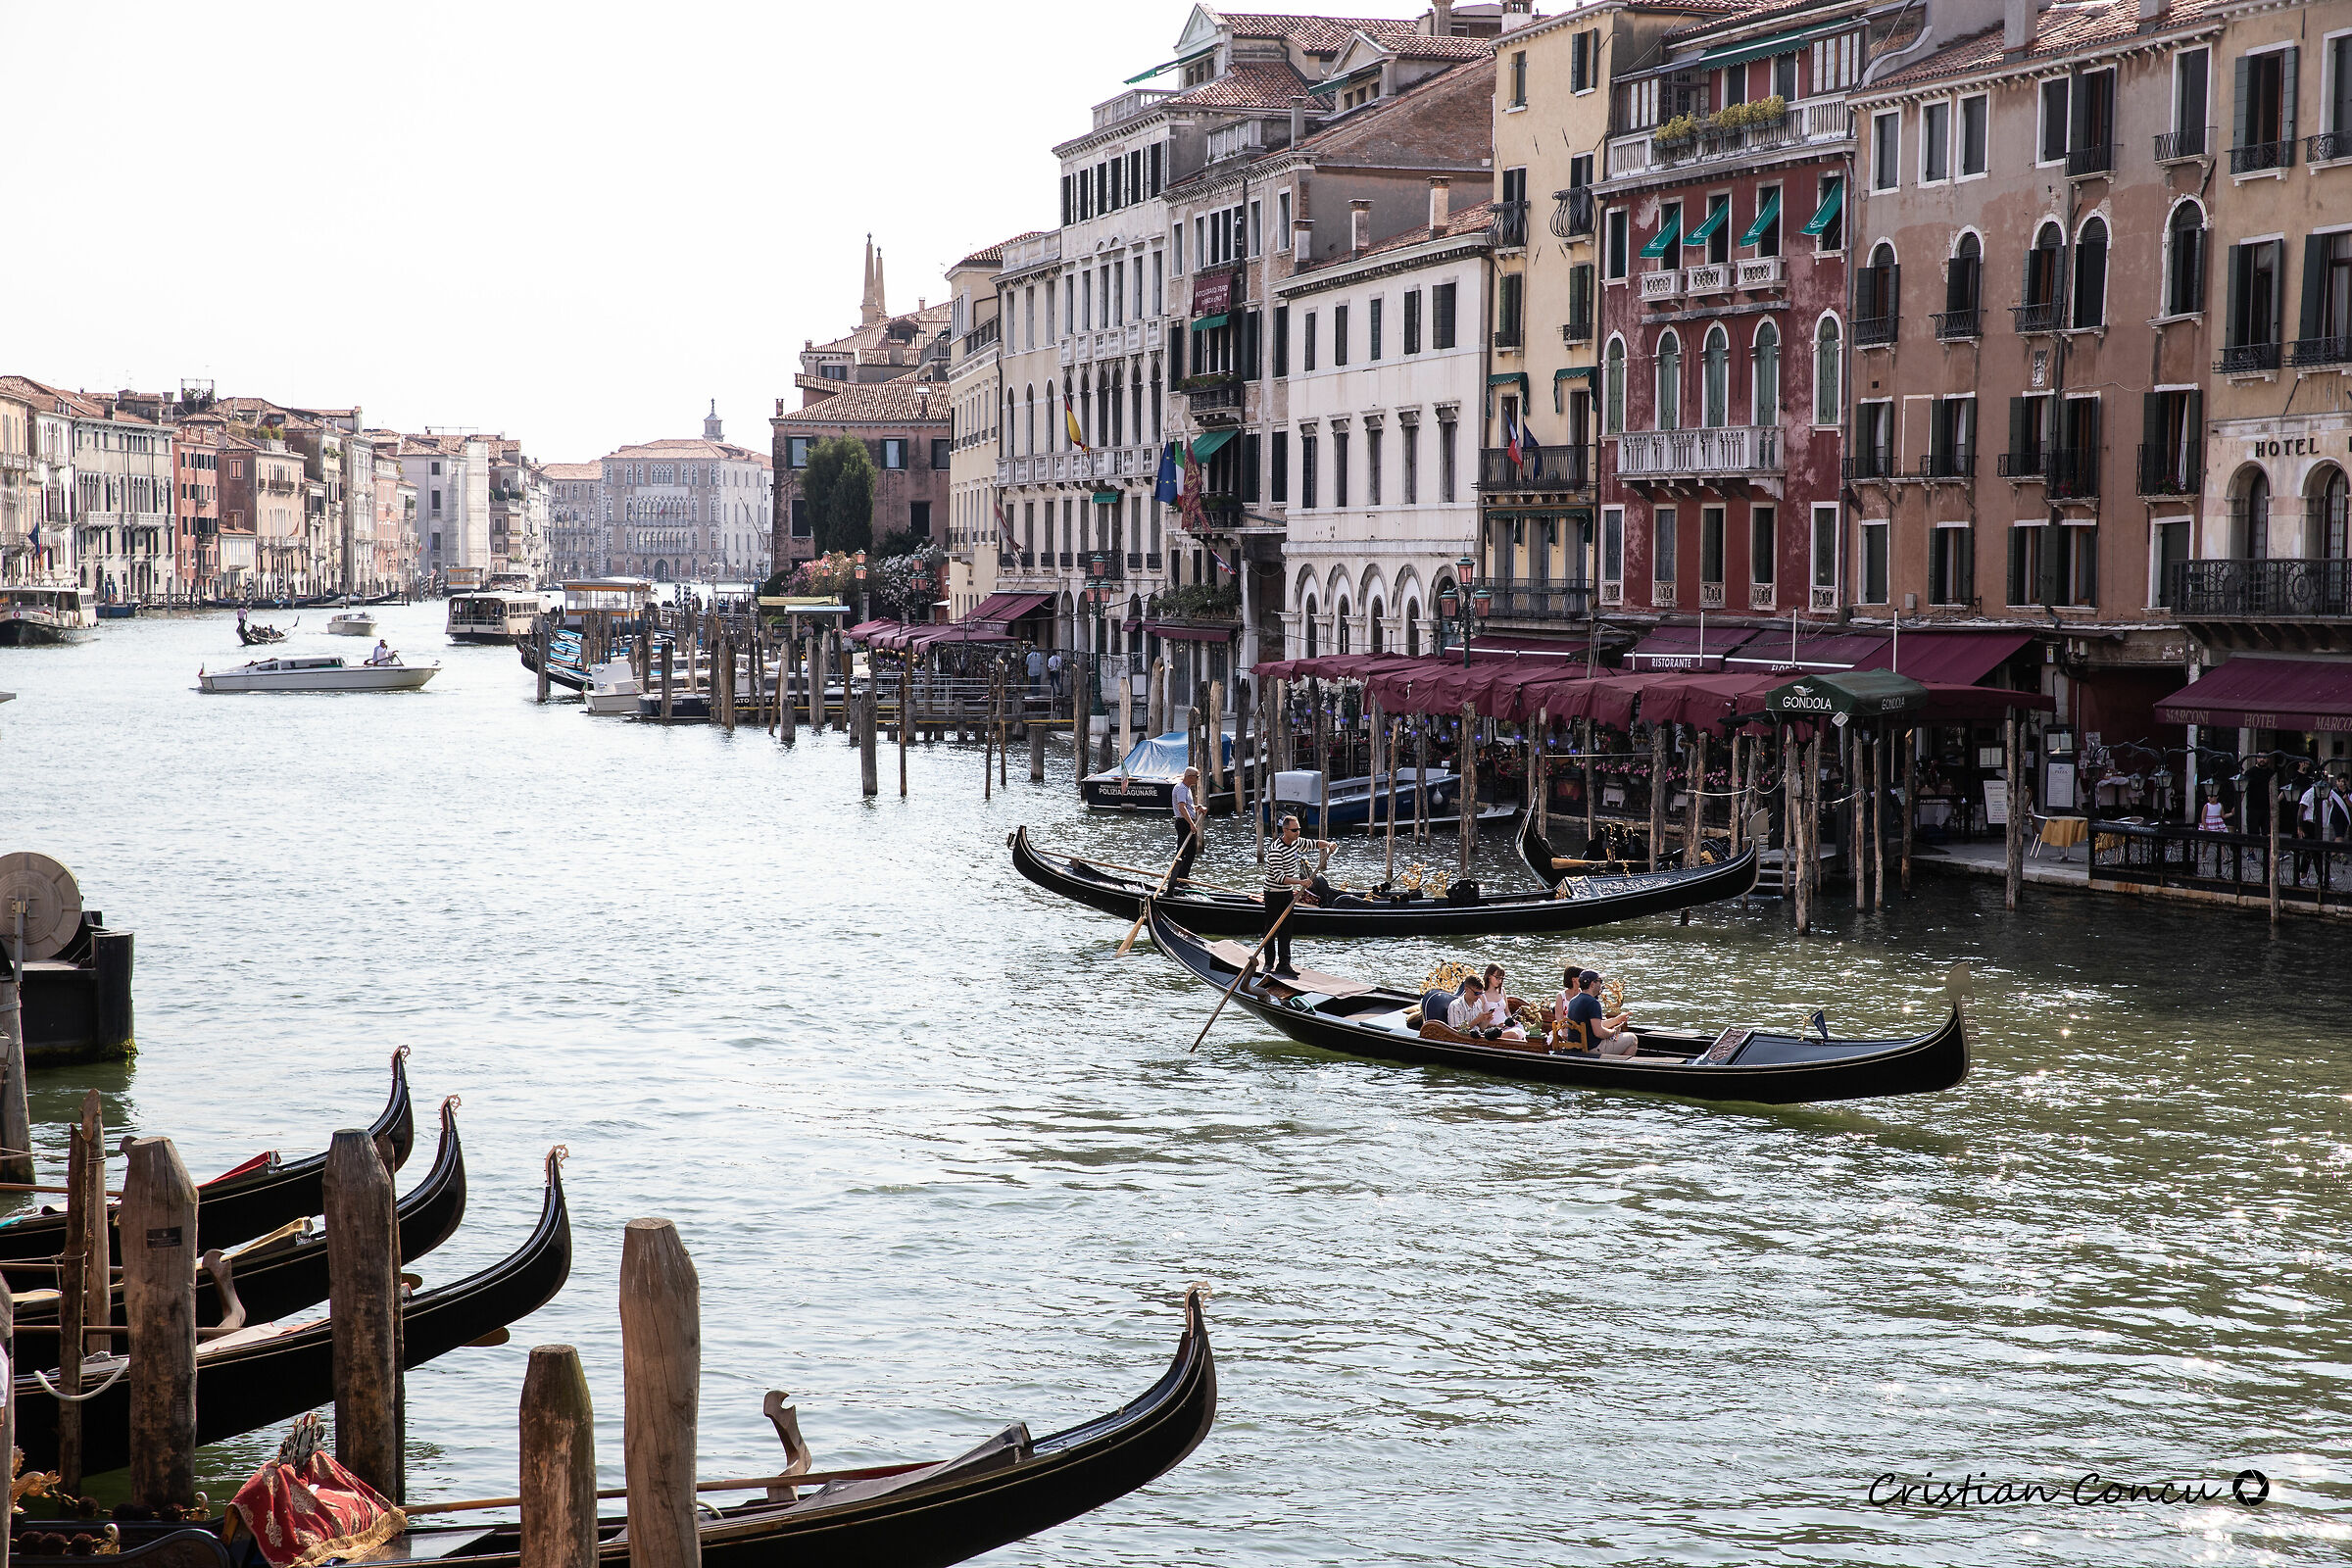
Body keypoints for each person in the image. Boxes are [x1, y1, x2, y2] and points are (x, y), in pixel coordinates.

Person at [1259, 814, 1329, 977]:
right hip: (1273, 893)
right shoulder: (1276, 849)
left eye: (1299, 829)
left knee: (1286, 929)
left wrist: (1328, 845)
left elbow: (1313, 844)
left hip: (1287, 893)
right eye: (1294, 830)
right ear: (1285, 830)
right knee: (1271, 929)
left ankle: (1284, 964)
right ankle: (1269, 963)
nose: (1298, 832)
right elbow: (1279, 878)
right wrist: (1301, 882)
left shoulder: (1297, 842)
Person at [1559, 968, 1636, 1056]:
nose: (1601, 984)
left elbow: (1595, 1024)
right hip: (1593, 1048)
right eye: (1600, 981)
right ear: (1592, 984)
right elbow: (1599, 1032)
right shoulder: (1593, 1003)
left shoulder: (1573, 1001)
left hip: (1576, 1047)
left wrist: (1617, 1020)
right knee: (1632, 1039)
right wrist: (1613, 1032)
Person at [1170, 765, 1206, 883]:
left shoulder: (1186, 788)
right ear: (1190, 777)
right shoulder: (1181, 788)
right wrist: (1191, 823)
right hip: (1184, 823)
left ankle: (1180, 877)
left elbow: (1187, 807)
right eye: (1197, 777)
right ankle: (1182, 878)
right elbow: (1181, 807)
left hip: (1185, 821)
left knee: (1185, 851)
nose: (1197, 779)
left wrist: (1198, 808)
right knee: (1188, 851)